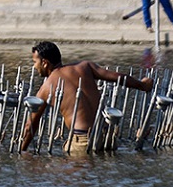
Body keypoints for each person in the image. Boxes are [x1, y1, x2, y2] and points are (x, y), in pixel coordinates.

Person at [20, 41, 152, 153]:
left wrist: (22, 152)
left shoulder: (46, 88)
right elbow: (118, 77)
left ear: (44, 63)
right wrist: (142, 85)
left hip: (82, 141)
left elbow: (30, 125)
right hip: (105, 136)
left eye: (35, 62)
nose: (34, 66)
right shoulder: (84, 67)